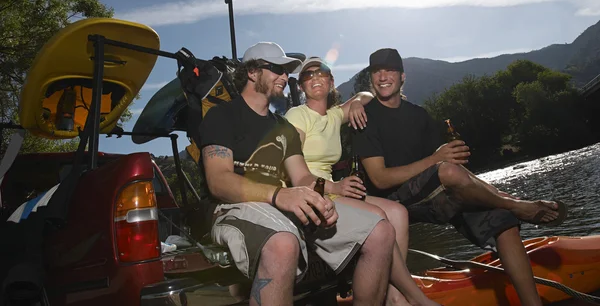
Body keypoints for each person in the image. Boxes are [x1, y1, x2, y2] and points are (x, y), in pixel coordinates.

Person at [195, 42, 415, 306]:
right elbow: (219, 181)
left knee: (380, 231)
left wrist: (324, 194)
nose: (285, 77)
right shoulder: (223, 116)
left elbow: (302, 179)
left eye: (287, 71)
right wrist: (280, 195)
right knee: (283, 243)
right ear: (252, 73)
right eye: (277, 69)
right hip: (236, 206)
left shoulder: (283, 127)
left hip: (284, 204)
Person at [353, 47, 568, 306]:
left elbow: (442, 163)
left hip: (432, 193)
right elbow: (380, 179)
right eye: (377, 71)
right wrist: (438, 160)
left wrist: (450, 159)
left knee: (503, 220)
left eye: (390, 70)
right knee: (448, 170)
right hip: (393, 200)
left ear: (402, 76)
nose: (383, 76)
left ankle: (532, 300)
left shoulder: (418, 115)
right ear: (371, 78)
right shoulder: (366, 117)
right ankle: (517, 203)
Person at [285, 57, 437, 306]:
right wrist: (334, 186)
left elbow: (368, 94)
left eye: (320, 72)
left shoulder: (334, 115)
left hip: (333, 189)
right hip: (311, 191)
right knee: (379, 218)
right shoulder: (297, 115)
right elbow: (294, 172)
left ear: (331, 80)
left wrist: (355, 101)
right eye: (307, 75)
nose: (314, 77)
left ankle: (392, 291)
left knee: (398, 212)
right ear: (301, 86)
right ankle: (413, 297)